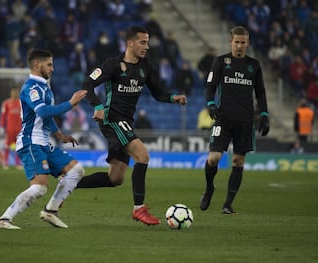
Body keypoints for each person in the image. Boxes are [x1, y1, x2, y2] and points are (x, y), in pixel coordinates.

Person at [75, 26, 187, 225]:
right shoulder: (112, 65)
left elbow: (158, 92)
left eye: (148, 42)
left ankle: (69, 183)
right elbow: (87, 85)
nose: (147, 47)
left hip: (126, 122)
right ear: (130, 43)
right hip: (111, 119)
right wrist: (98, 106)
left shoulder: (146, 67)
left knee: (115, 179)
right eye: (143, 42)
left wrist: (173, 97)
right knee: (142, 156)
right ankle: (139, 209)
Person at [0, 49, 87, 230]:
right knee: (39, 188)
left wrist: (59, 134)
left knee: (76, 170)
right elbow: (42, 111)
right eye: (49, 64)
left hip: (44, 143)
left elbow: (46, 117)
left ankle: (51, 211)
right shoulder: (31, 87)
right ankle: (4, 219)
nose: (52, 69)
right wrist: (71, 103)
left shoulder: (45, 87)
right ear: (37, 65)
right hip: (31, 142)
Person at [200, 26, 270, 215]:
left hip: (246, 121)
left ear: (248, 43)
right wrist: (210, 103)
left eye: (243, 42)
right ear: (231, 42)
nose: (239, 46)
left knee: (238, 161)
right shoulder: (221, 61)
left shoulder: (253, 65)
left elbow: (261, 92)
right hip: (223, 118)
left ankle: (228, 204)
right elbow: (210, 85)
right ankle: (209, 188)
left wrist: (264, 115)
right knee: (213, 159)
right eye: (236, 42)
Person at [0, 87, 22, 170]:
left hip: (19, 129)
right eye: (13, 92)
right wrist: (2, 127)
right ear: (11, 93)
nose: (15, 94)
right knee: (7, 146)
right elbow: (3, 116)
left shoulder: (21, 103)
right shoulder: (6, 103)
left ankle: (18, 163)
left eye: (16, 92)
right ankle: (5, 163)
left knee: (19, 146)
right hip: (9, 129)